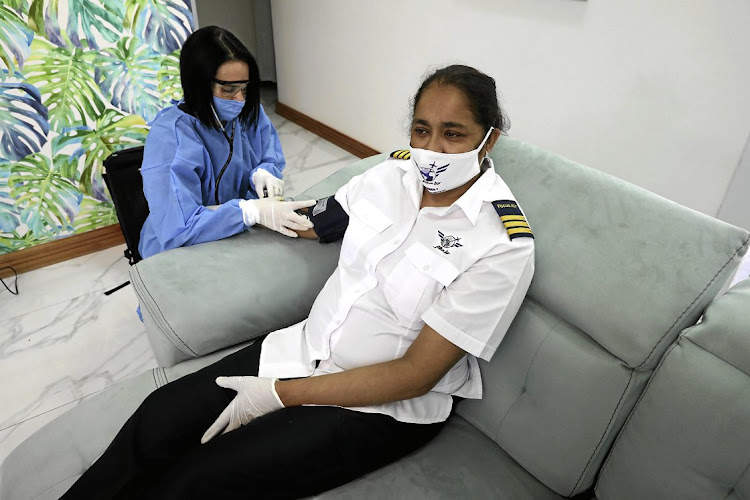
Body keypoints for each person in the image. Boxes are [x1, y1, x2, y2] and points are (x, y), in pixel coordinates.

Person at [62, 65, 535, 499]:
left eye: (453, 135)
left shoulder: (500, 244)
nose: (431, 149)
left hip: (379, 408)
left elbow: (416, 375)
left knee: (194, 484)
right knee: (158, 418)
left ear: (488, 140)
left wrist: (278, 395)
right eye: (421, 130)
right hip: (301, 350)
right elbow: (322, 220)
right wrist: (259, 211)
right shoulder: (388, 177)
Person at [138, 26, 314, 260]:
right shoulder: (171, 137)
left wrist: (264, 172)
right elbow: (178, 229)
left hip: (239, 235)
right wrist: (248, 212)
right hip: (181, 251)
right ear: (198, 85)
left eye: (244, 88)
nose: (240, 99)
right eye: (228, 89)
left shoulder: (248, 113)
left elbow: (269, 156)